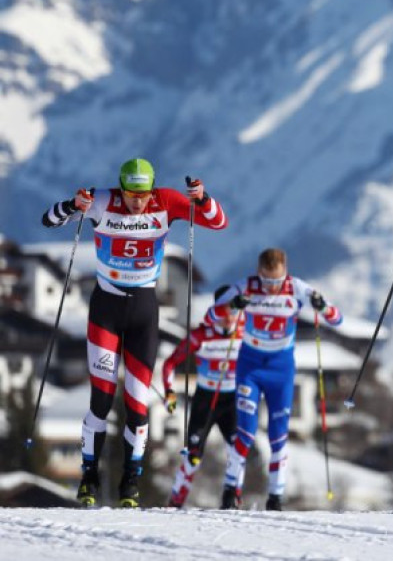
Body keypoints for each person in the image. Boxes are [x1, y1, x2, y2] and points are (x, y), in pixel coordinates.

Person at [41, 158, 227, 508]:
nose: (137, 201)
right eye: (131, 194)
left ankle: (130, 480)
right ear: (121, 188)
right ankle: (89, 477)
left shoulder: (168, 201)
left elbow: (218, 222)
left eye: (143, 194)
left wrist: (202, 199)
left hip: (144, 311)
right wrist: (72, 205)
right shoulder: (100, 201)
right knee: (101, 399)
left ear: (152, 189)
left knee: (138, 405)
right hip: (105, 312)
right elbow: (48, 219)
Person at [217, 248, 342, 511]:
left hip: (281, 371)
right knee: (245, 432)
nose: (271, 287)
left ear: (285, 272)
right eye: (267, 281)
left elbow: (337, 319)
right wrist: (231, 306)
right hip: (250, 368)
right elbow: (215, 315)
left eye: (276, 281)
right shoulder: (247, 287)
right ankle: (230, 490)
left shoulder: (296, 288)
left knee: (278, 436)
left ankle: (275, 497)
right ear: (258, 273)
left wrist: (323, 306)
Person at [163, 285, 244, 508]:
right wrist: (169, 392)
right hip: (205, 401)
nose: (230, 319)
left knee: (238, 450)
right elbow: (170, 364)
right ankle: (175, 502)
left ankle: (232, 498)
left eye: (234, 313)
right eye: (225, 313)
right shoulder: (201, 336)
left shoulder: (246, 334)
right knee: (193, 457)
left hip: (232, 402)